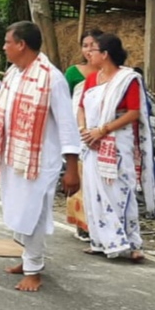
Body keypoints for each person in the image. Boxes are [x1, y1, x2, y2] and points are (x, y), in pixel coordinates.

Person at [0, 22, 81, 292]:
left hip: (40, 161)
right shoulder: (15, 73)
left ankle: (34, 270)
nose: (4, 47)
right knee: (19, 210)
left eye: (7, 42)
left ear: (21, 45)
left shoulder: (52, 78)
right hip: (16, 155)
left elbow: (67, 125)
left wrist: (73, 169)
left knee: (33, 213)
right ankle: (27, 260)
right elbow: (11, 109)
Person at [75, 33, 155, 262]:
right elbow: (82, 106)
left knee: (121, 190)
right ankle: (101, 240)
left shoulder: (126, 79)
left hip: (117, 141)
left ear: (105, 54)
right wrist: (84, 128)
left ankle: (130, 242)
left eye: (94, 49)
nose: (89, 52)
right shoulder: (92, 80)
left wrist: (103, 130)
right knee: (94, 190)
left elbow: (133, 112)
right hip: (92, 141)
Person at [62, 28, 102, 241]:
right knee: (79, 173)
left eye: (93, 46)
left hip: (101, 131)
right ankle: (82, 224)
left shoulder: (110, 73)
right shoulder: (73, 73)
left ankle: (100, 223)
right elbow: (65, 100)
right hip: (77, 129)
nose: (88, 50)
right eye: (85, 46)